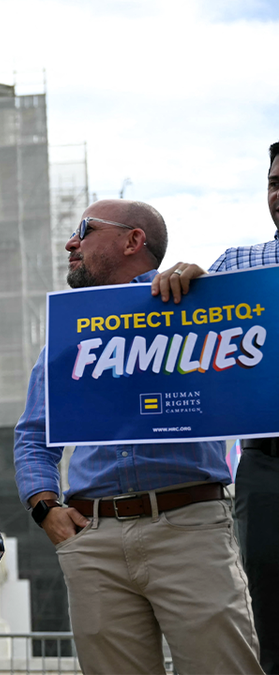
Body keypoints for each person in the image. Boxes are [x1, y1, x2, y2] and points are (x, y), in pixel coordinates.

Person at [15, 198, 262, 674]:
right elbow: (33, 436)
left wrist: (205, 291)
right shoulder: (66, 339)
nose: (70, 242)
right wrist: (45, 509)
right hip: (93, 538)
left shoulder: (199, 306)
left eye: (84, 229)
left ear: (133, 240)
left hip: (190, 528)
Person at [149, 141, 279, 674]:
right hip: (267, 465)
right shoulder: (237, 268)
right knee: (268, 621)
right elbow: (189, 354)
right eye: (274, 182)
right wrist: (186, 289)